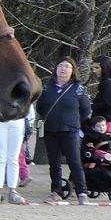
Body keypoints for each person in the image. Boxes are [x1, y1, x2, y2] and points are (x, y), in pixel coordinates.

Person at [35, 59, 91, 203]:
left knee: (74, 162)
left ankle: (82, 192)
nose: (63, 69)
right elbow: (40, 107)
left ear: (73, 70)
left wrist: (74, 122)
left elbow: (85, 110)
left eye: (67, 66)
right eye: (60, 66)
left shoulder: (78, 88)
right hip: (51, 130)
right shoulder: (47, 87)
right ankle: (56, 191)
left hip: (70, 130)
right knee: (54, 163)